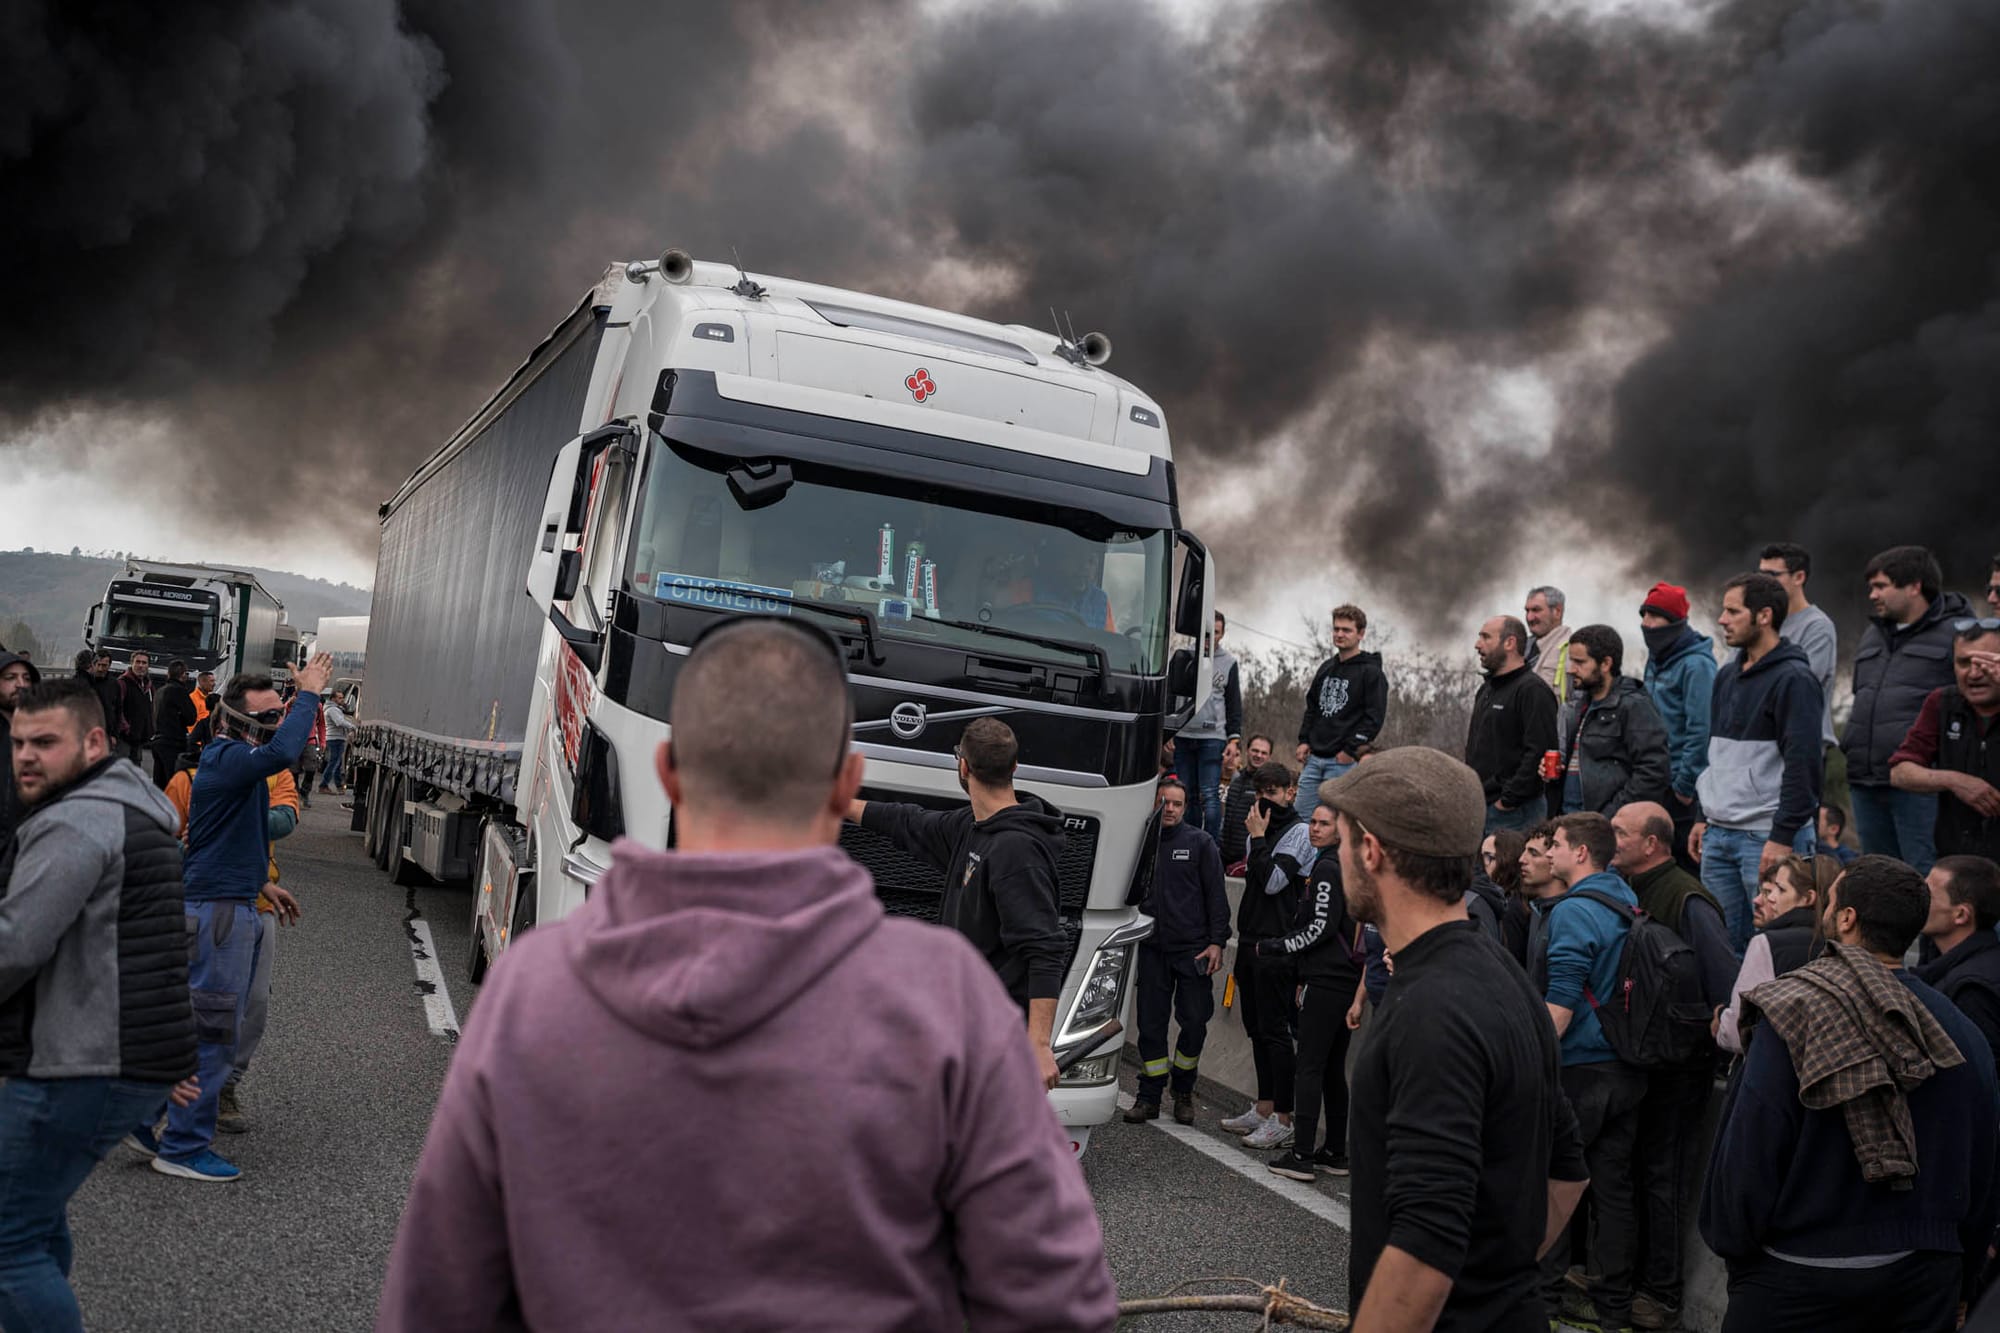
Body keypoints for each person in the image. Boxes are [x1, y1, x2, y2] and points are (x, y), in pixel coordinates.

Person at [380, 619, 1115, 1326]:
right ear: (844, 780)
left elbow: (439, 1301)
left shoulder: (532, 989)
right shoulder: (950, 1003)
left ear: (669, 772)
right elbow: (1057, 1303)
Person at [1327, 748, 1588, 1333]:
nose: (1338, 857)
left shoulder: (1428, 1011)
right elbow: (1569, 1170)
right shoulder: (1507, 979)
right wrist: (1496, 1283)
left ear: (1371, 851)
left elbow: (1425, 1245)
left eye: (1341, 841)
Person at [1700, 855, 1999, 1333]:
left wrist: (1738, 1253)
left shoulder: (1793, 1013)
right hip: (1923, 1279)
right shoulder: (1962, 1032)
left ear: (1846, 918)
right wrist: (1963, 1278)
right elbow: (1983, 1167)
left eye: (1831, 901)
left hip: (1799, 1277)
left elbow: (1751, 1148)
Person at [0, 678, 198, 1331]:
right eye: (18, 743)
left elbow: (14, 945)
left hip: (80, 1060)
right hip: (119, 1053)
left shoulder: (77, 820)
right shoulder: (130, 807)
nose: (26, 757)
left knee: (7, 1242)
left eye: (45, 742)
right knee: (32, 1221)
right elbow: (152, 947)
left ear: (93, 742)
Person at [144, 657, 326, 1181]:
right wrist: (310, 694)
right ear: (235, 719)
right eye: (267, 716)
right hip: (221, 915)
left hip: (229, 901)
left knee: (199, 1026)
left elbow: (217, 840)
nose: (275, 724)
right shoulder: (229, 759)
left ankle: (140, 1119)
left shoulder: (234, 768)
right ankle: (181, 1147)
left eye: (279, 714)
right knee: (214, 1033)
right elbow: (284, 750)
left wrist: (261, 883)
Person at [850, 716, 1068, 1089]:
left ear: (963, 767)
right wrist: (839, 803)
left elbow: (1044, 951)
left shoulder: (1016, 852)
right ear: (1014, 767)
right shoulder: (973, 826)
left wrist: (1038, 1045)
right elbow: (908, 821)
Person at [1609, 801, 1735, 1331]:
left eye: (1620, 832)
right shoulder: (1624, 887)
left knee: (1664, 1176)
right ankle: (1624, 1281)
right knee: (1634, 1171)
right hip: (1639, 1057)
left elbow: (1723, 981)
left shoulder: (1687, 898)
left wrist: (1699, 1043)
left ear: (1652, 843)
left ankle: (1661, 1295)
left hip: (1678, 1067)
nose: (1611, 839)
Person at [1531, 812, 1646, 1333]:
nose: (1550, 851)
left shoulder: (1576, 910)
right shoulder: (1625, 899)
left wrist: (1527, 1060)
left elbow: (1561, 1002)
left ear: (1580, 853)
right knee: (1613, 1191)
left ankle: (1544, 1304)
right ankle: (1614, 1311)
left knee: (1557, 1181)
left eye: (1556, 844)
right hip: (1626, 1067)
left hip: (1580, 1068)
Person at [1692, 572, 1825, 952]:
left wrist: (1782, 836)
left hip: (1765, 836)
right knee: (1723, 946)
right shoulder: (1726, 675)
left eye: (1733, 611)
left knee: (1777, 946)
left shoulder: (1795, 679)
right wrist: (1703, 816)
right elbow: (1717, 754)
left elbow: (1804, 765)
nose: (1722, 619)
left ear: (1764, 616)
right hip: (1719, 833)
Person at [1843, 545, 1972, 873]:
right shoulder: (1873, 635)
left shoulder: (1959, 635)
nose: (1872, 595)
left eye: (1881, 586)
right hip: (1867, 780)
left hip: (1923, 787)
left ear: (1914, 586)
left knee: (1927, 878)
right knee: (1877, 879)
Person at [1258, 799, 1357, 1183]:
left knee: (1311, 1066)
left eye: (1323, 824)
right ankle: (1335, 1152)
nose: (1314, 829)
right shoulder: (1344, 864)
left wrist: (1275, 947)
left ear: (1340, 829)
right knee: (1331, 1068)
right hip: (1342, 980)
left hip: (1328, 980)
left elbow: (1321, 927)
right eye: (1312, 822)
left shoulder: (1329, 867)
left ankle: (1301, 1155)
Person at [1124, 779, 1228, 1126]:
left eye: (1177, 804)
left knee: (1195, 1022)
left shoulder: (1200, 843)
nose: (1169, 809)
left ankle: (1183, 1091)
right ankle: (1148, 1096)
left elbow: (1216, 896)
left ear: (1185, 808)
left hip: (1193, 951)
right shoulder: (1141, 841)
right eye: (1164, 802)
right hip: (1153, 950)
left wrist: (1217, 941)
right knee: (1150, 1025)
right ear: (1155, 802)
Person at [1222, 761, 1307, 1150]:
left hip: (1277, 945)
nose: (1264, 800)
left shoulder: (1298, 832)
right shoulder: (1257, 829)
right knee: (1255, 1028)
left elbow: (1273, 881)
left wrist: (1258, 839)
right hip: (1250, 938)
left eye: (1272, 792)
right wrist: (1256, 838)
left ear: (1290, 792)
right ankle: (1264, 1107)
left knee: (1275, 1032)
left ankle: (1284, 1118)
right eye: (1259, 792)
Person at [1888, 618, 2000, 865]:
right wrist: (1955, 781)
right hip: (1958, 859)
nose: (1974, 673)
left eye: (1986, 663)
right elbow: (1900, 772)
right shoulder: (1943, 703)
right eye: (1964, 663)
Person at [1714, 853, 1839, 1057]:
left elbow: (1736, 1033)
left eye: (1780, 889)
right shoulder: (1844, 943)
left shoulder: (1767, 944)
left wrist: (1720, 1020)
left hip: (1773, 1067)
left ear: (1808, 898)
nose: (1770, 898)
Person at [1639, 582, 1718, 861]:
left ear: (1673, 621)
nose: (1646, 623)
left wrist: (1685, 785)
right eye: (1644, 615)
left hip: (1681, 790)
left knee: (1685, 860)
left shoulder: (1697, 665)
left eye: (1654, 616)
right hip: (1655, 778)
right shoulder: (1656, 659)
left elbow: (1701, 728)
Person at [1560, 625, 1672, 816]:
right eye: (1571, 661)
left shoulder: (1634, 705)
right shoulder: (1579, 704)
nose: (1571, 669)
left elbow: (1653, 771)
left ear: (1605, 664)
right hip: (1570, 817)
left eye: (1580, 662)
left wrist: (1610, 816)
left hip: (1603, 823)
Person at [1294, 604, 1388, 820]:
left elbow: (1374, 719)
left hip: (1342, 763)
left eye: (1346, 630)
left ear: (1360, 634)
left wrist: (1349, 750)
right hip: (1314, 759)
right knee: (1301, 820)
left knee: (1337, 823)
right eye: (1336, 629)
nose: (1339, 634)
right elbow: (1312, 707)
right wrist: (1304, 740)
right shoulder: (1326, 667)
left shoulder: (1371, 672)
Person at [1467, 615, 1560, 833]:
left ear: (1509, 643)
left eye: (1486, 637)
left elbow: (1539, 752)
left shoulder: (1533, 690)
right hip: (1481, 807)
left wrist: (1507, 801)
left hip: (1515, 814)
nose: (1477, 644)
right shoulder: (1486, 690)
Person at [1916, 855, 2000, 1082]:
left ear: (1961, 914)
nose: (1916, 901)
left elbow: (1980, 1077)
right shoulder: (1938, 960)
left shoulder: (1972, 990)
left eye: (1928, 895)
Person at [1759, 542, 1839, 746]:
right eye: (1760, 574)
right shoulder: (1759, 621)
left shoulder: (1817, 628)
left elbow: (1797, 689)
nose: (1763, 582)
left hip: (1799, 745)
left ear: (1799, 577)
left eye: (1773, 575)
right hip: (1760, 744)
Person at [1173, 611, 1243, 836]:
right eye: (1205, 633)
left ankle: (1211, 845)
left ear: (1222, 634)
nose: (1209, 638)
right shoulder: (1182, 657)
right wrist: (1167, 730)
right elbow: (1169, 694)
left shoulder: (1229, 663)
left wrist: (1233, 739)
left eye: (1215, 633)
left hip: (1212, 737)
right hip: (1183, 733)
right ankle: (1190, 841)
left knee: (1210, 794)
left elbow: (1233, 703)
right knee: (1187, 794)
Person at [0, 652, 41, 852]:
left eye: (26, 678)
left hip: (27, 845)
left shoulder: (44, 730)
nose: (20, 684)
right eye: (10, 678)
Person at [1477, 828, 1533, 965]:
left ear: (1507, 860)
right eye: (1481, 856)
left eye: (1489, 857)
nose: (1483, 864)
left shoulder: (1511, 908)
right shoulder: (1511, 899)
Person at [1219, 734, 1272, 870]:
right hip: (1223, 853)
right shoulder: (1236, 780)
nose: (1258, 755)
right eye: (1255, 750)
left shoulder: (1269, 787)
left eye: (1264, 753)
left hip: (1247, 858)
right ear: (1247, 751)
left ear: (1269, 756)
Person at [149, 660, 199, 791]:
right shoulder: (179, 691)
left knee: (159, 783)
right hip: (173, 741)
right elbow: (191, 717)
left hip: (157, 740)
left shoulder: (159, 691)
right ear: (183, 675)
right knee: (173, 783)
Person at [1525, 584, 1575, 699]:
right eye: (1527, 611)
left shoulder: (1573, 650)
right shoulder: (1521, 648)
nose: (1529, 617)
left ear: (1557, 612)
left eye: (1536, 610)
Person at [111, 651, 153, 765]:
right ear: (131, 663)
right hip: (123, 739)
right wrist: (126, 728)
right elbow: (116, 709)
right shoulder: (122, 683)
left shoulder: (148, 686)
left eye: (144, 663)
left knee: (135, 770)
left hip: (139, 739)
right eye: (138, 662)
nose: (141, 665)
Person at [86, 654, 119, 737]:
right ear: (93, 664)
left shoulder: (114, 684)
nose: (100, 669)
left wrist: (114, 734)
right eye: (98, 665)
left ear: (109, 666)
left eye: (104, 665)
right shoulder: (85, 682)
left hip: (106, 731)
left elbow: (118, 709)